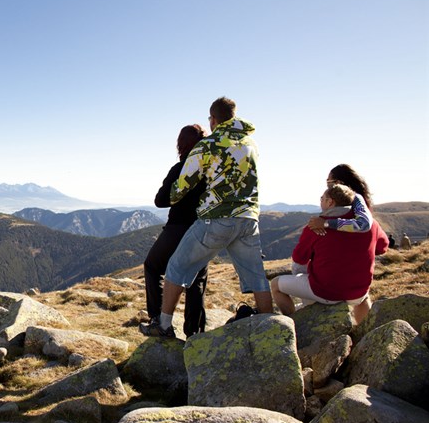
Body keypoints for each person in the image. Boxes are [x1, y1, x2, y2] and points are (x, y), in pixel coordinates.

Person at [141, 97, 273, 338]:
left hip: (217, 219)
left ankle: (162, 325)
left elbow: (182, 185)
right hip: (249, 217)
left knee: (176, 267)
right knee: (257, 277)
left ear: (213, 119)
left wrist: (171, 195)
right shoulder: (250, 143)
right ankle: (271, 329)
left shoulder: (209, 145)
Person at [271, 184, 389, 323]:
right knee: (362, 295)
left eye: (322, 198)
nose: (320, 201)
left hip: (325, 292)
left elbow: (299, 258)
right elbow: (382, 247)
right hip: (359, 291)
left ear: (330, 202)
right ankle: (363, 330)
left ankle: (295, 322)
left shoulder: (316, 226)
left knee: (275, 285)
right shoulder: (371, 224)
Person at [140, 125, 208, 339]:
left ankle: (158, 320)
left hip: (178, 228)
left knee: (152, 266)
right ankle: (195, 333)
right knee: (196, 279)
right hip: (204, 229)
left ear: (182, 144)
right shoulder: (211, 169)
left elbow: (160, 201)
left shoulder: (180, 168)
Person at [307, 164, 373, 236]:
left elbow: (363, 224)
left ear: (339, 183)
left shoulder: (355, 197)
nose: (327, 186)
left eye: (328, 181)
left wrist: (326, 223)